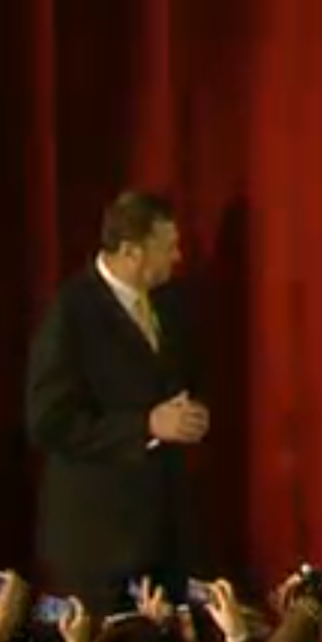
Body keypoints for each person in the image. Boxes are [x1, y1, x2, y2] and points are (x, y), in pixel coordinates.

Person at [25, 190, 209, 614]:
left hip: (161, 535)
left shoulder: (168, 303)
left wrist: (186, 417)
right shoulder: (71, 314)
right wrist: (145, 425)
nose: (178, 257)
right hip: (99, 542)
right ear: (130, 252)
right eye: (167, 247)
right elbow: (48, 421)